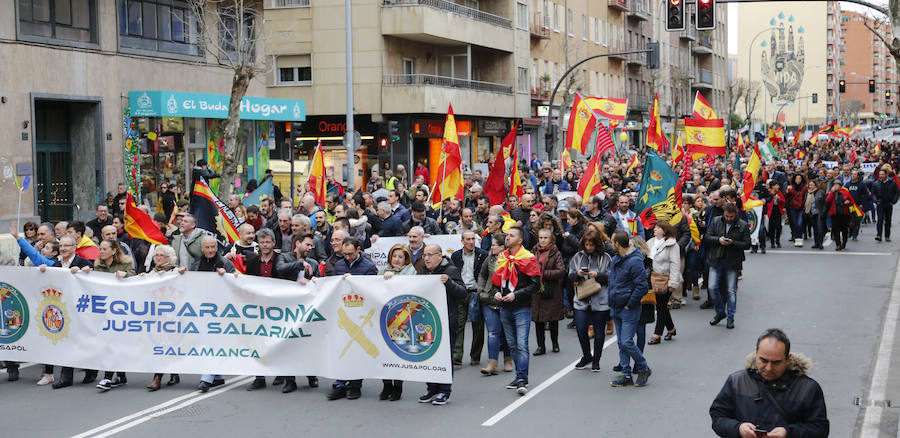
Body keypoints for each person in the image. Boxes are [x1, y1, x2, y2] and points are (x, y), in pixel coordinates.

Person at [710, 328, 829, 438]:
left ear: (787, 359)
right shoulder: (737, 381)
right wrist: (738, 428)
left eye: (776, 363)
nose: (768, 368)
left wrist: (788, 433)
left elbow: (820, 429)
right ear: (756, 353)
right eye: (763, 360)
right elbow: (718, 416)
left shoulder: (808, 389)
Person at [327, 237, 378, 401]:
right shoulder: (340, 264)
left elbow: (372, 289)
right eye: (344, 254)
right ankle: (340, 383)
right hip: (343, 312)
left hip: (361, 312)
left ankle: (355, 385)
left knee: (357, 350)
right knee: (341, 349)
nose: (347, 257)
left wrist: (355, 281)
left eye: (350, 254)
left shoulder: (368, 266)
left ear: (358, 249)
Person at [492, 227, 541, 395]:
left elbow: (535, 285)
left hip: (521, 307)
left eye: (511, 235)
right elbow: (495, 282)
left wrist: (516, 295)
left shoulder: (528, 258)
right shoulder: (502, 257)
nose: (507, 238)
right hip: (505, 306)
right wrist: (496, 292)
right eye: (507, 235)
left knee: (521, 344)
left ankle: (522, 379)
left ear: (519, 240)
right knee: (512, 345)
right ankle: (519, 375)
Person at [82, 239, 136, 392]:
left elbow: (134, 276)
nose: (101, 251)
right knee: (110, 342)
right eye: (100, 248)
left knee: (112, 342)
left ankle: (107, 377)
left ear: (114, 251)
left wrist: (125, 275)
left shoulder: (125, 263)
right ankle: (120, 376)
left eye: (105, 249)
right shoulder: (98, 265)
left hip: (121, 309)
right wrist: (86, 273)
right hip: (104, 310)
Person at [418, 244, 467, 405]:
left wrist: (449, 283)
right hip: (427, 322)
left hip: (446, 322)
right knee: (428, 356)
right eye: (425, 255)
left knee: (445, 358)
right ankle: (431, 388)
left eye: (430, 255)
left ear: (440, 256)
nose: (426, 258)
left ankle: (445, 391)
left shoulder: (451, 271)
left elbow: (462, 293)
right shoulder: (424, 271)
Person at [607, 230, 651, 387]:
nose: (610, 244)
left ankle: (643, 366)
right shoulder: (616, 259)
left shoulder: (635, 261)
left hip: (628, 308)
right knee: (621, 342)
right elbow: (613, 281)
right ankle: (626, 374)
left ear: (617, 244)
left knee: (626, 341)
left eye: (612, 242)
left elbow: (642, 286)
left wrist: (629, 304)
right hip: (616, 306)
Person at [193, 236, 235, 392]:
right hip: (202, 309)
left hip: (221, 310)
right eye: (207, 247)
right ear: (202, 249)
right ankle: (218, 377)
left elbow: (235, 283)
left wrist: (227, 276)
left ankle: (207, 378)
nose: (211, 250)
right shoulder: (196, 263)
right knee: (208, 342)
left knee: (214, 342)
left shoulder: (225, 263)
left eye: (213, 247)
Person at [142, 245, 185, 391]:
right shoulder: (152, 273)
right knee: (159, 344)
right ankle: (173, 372)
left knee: (165, 343)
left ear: (169, 258)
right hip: (155, 314)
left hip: (172, 315)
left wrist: (180, 274)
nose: (158, 258)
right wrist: (141, 279)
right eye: (157, 255)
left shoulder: (176, 272)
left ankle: (157, 377)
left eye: (162, 255)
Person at [568, 230, 612, 372]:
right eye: (586, 244)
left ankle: (596, 360)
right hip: (582, 298)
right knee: (581, 329)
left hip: (600, 299)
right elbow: (570, 276)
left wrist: (598, 275)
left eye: (591, 245)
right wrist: (578, 274)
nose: (588, 247)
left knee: (599, 331)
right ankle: (587, 355)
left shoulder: (606, 258)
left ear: (597, 244)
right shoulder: (577, 257)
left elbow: (611, 277)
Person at [379, 244, 418, 401]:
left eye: (400, 257)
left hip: (403, 318)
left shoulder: (411, 272)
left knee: (399, 351)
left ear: (406, 260)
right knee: (385, 351)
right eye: (394, 256)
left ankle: (398, 386)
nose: (396, 259)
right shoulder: (382, 271)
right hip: (385, 316)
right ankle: (386, 384)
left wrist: (395, 278)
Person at [705, 203, 751, 329]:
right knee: (712, 287)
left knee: (731, 291)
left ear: (735, 214)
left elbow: (747, 244)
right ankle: (720, 312)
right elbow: (708, 237)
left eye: (731, 216)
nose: (729, 218)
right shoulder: (716, 221)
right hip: (716, 259)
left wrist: (733, 243)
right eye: (727, 216)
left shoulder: (743, 225)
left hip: (733, 261)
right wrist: (718, 240)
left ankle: (730, 317)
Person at [449, 230, 487, 366]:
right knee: (458, 324)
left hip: (476, 293)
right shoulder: (456, 255)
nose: (471, 242)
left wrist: (482, 291)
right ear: (462, 241)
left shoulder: (482, 255)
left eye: (473, 239)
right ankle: (457, 356)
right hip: (460, 292)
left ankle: (475, 356)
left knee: (478, 325)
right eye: (468, 239)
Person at [477, 234, 513, 375]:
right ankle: (492, 364)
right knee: (493, 332)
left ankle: (508, 360)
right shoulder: (489, 258)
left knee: (506, 332)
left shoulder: (511, 260)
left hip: (505, 301)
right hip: (489, 300)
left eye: (494, 245)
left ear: (502, 247)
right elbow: (482, 275)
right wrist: (481, 290)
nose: (491, 247)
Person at [646, 221, 682, 345]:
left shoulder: (672, 245)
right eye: (654, 227)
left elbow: (675, 264)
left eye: (658, 228)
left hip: (665, 279)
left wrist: (673, 283)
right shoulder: (650, 242)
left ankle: (657, 334)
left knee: (661, 306)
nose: (655, 229)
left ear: (665, 231)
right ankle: (671, 329)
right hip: (653, 278)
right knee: (661, 306)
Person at [532, 228, 566, 356]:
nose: (543, 240)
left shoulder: (555, 252)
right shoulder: (534, 251)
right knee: (538, 319)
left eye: (545, 238)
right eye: (540, 237)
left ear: (550, 239)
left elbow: (561, 270)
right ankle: (541, 346)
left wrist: (543, 273)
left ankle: (555, 343)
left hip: (552, 289)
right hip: (537, 290)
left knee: (553, 319)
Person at [872, 164, 900, 242]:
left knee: (888, 220)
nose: (881, 176)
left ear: (886, 174)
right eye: (880, 174)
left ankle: (887, 236)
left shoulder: (892, 182)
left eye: (882, 174)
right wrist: (876, 200)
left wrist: (894, 201)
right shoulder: (876, 183)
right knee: (880, 220)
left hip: (888, 204)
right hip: (880, 204)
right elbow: (873, 193)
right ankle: (879, 235)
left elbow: (896, 193)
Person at [825, 182, 851, 251]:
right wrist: (831, 192)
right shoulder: (832, 193)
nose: (835, 186)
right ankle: (838, 244)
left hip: (844, 213)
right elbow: (827, 200)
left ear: (840, 186)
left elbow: (851, 201)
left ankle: (844, 243)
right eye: (834, 185)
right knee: (835, 229)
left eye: (837, 185)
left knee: (844, 230)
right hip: (834, 213)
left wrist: (848, 202)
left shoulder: (845, 192)